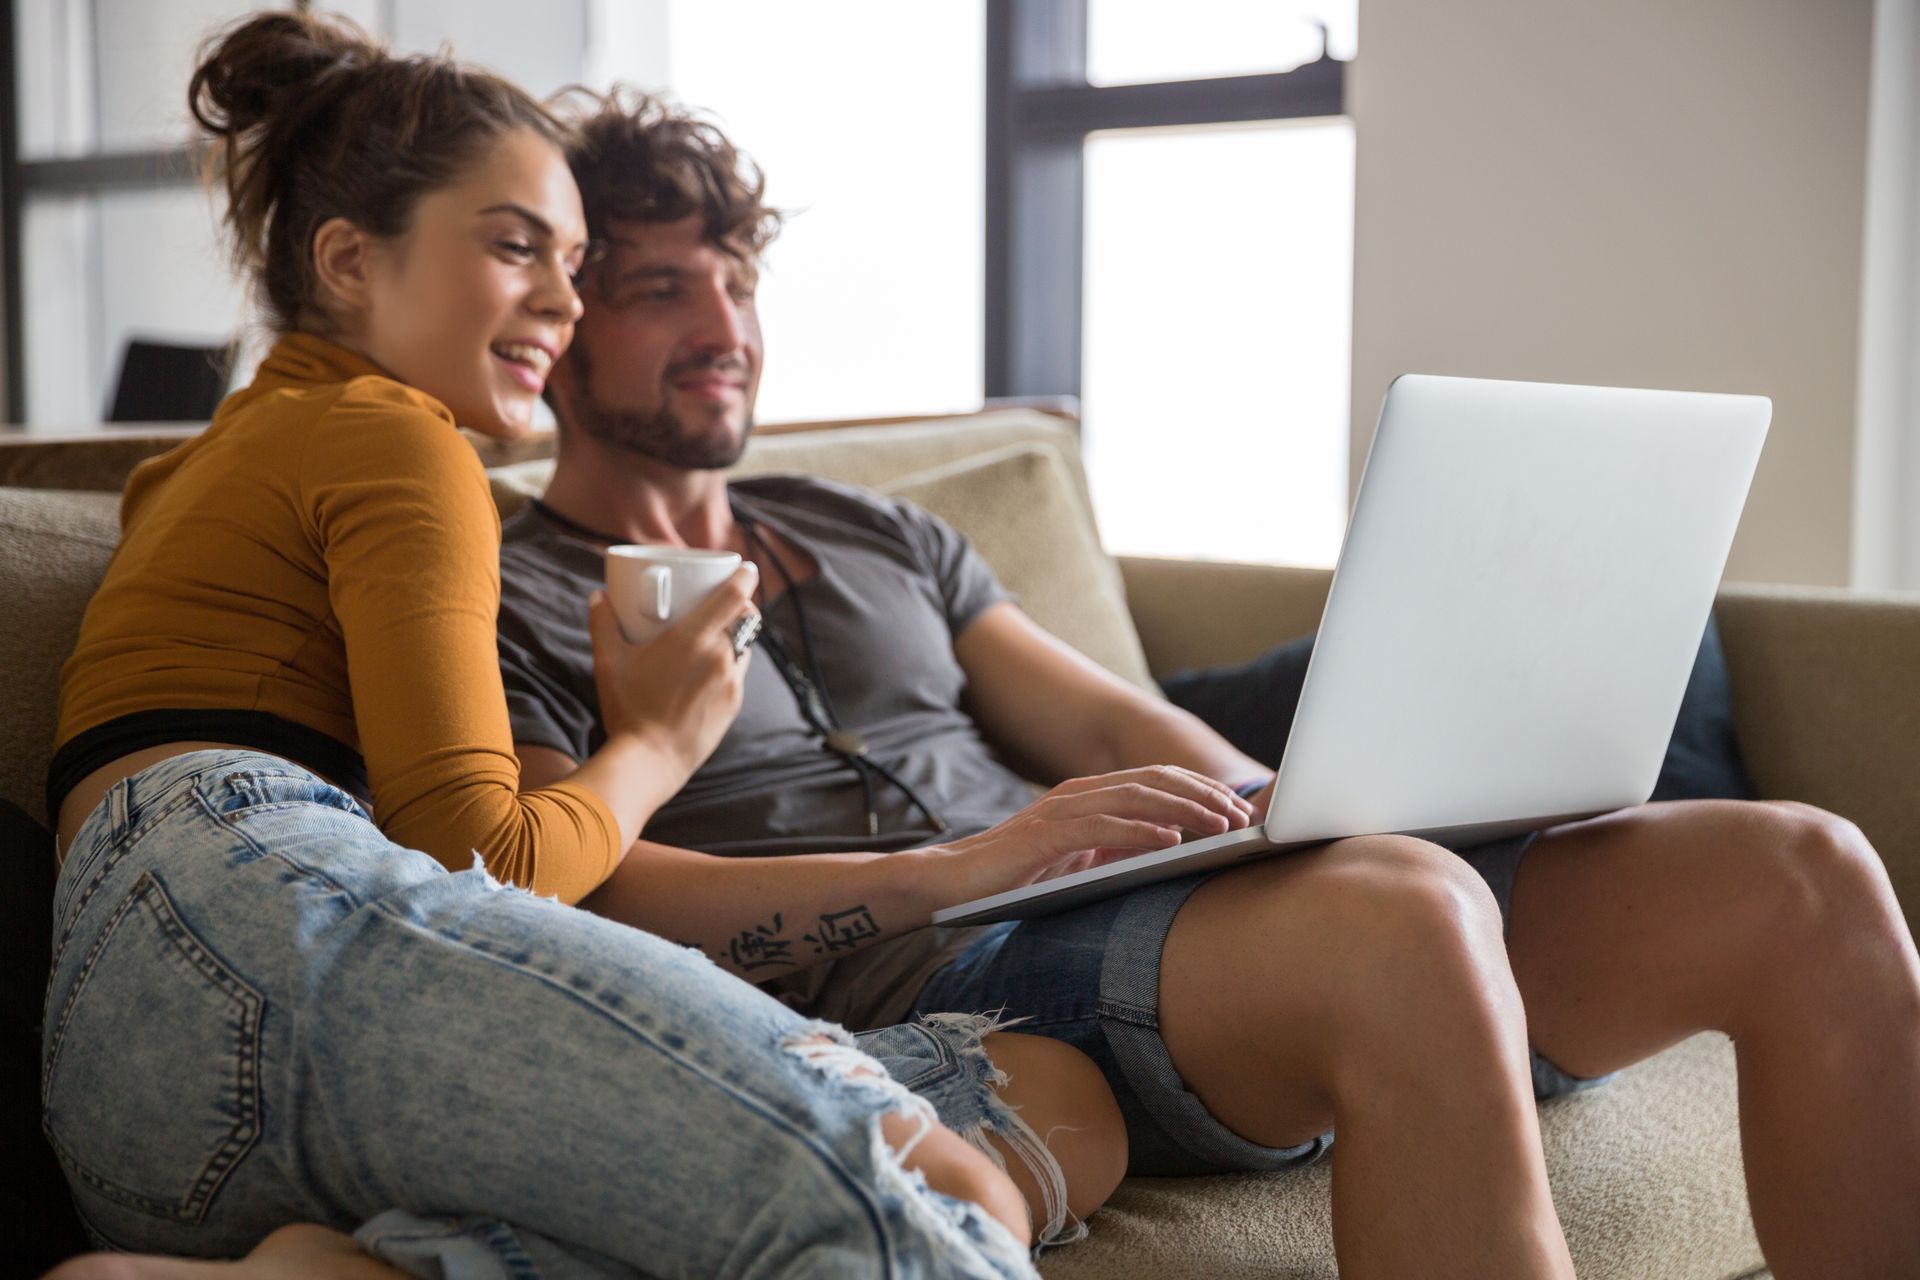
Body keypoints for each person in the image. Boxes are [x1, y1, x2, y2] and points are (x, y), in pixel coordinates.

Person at [496, 89, 1920, 1278]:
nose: (724, 324)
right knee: (1406, 916)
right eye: (663, 287)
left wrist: (1278, 806)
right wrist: (964, 863)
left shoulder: (876, 529)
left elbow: (1113, 721)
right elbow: (579, 884)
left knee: (1803, 866)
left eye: (737, 282)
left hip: (1144, 918)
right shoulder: (504, 587)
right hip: (949, 983)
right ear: (562, 330)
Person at [39, 15, 1090, 1279]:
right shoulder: (399, 439)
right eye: (514, 245)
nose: (561, 299)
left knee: (972, 1137)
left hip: (122, 1060)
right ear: (350, 261)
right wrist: (658, 738)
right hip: (268, 914)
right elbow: (492, 854)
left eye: (578, 262)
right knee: (900, 1217)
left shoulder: (194, 469)